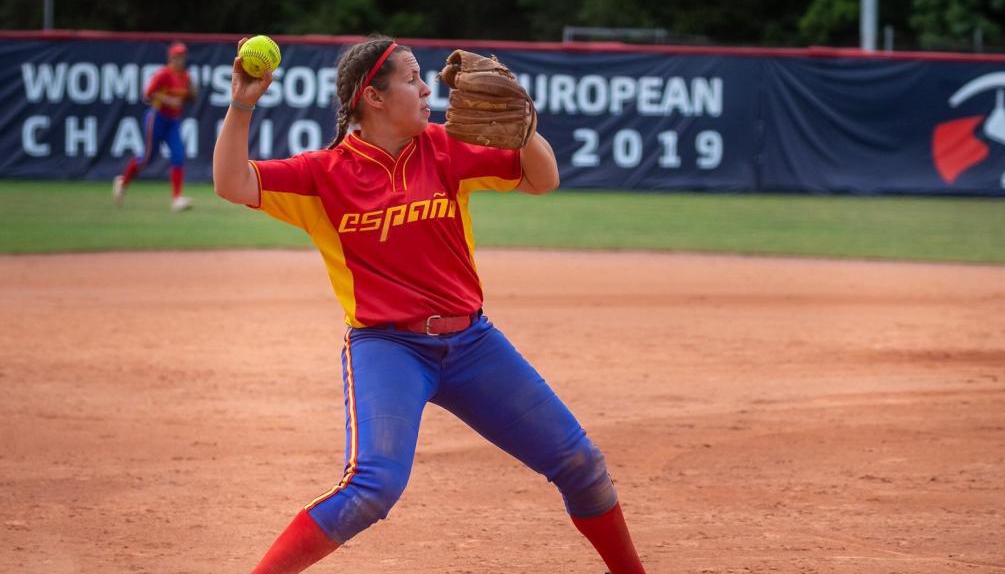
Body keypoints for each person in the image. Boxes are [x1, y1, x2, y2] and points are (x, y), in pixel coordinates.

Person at [212, 35, 647, 574]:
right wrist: (242, 104)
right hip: (388, 347)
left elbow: (544, 177)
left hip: (472, 344)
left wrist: (525, 125)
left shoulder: (444, 148)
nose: (426, 91)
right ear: (373, 97)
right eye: (413, 79)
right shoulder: (324, 175)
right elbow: (232, 182)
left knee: (582, 464)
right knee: (373, 487)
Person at [113, 41, 197, 212]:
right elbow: (147, 94)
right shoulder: (163, 74)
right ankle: (123, 181)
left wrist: (192, 91)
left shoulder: (186, 76)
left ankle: (177, 199)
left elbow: (190, 97)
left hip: (173, 121)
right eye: (177, 56)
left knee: (178, 155)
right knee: (146, 158)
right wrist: (168, 100)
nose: (181, 60)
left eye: (183, 56)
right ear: (171, 58)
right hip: (157, 117)